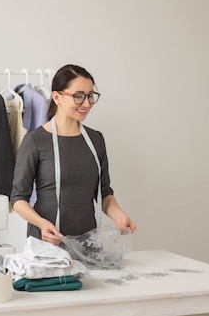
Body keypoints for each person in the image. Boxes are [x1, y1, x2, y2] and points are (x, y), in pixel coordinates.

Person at [11, 64, 136, 246]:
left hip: (88, 244)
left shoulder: (96, 140)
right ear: (57, 97)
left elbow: (104, 193)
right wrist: (41, 224)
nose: (86, 103)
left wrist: (120, 216)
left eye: (90, 96)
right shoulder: (35, 141)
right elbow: (18, 199)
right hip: (48, 242)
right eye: (78, 96)